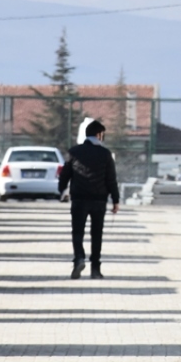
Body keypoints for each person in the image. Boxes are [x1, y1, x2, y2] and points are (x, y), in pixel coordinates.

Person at [57, 120, 120, 280]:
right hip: (99, 200)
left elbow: (65, 175)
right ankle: (95, 269)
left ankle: (79, 258)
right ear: (99, 135)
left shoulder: (74, 152)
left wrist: (62, 191)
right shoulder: (105, 154)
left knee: (77, 232)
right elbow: (111, 179)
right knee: (96, 234)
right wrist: (115, 199)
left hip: (79, 198)